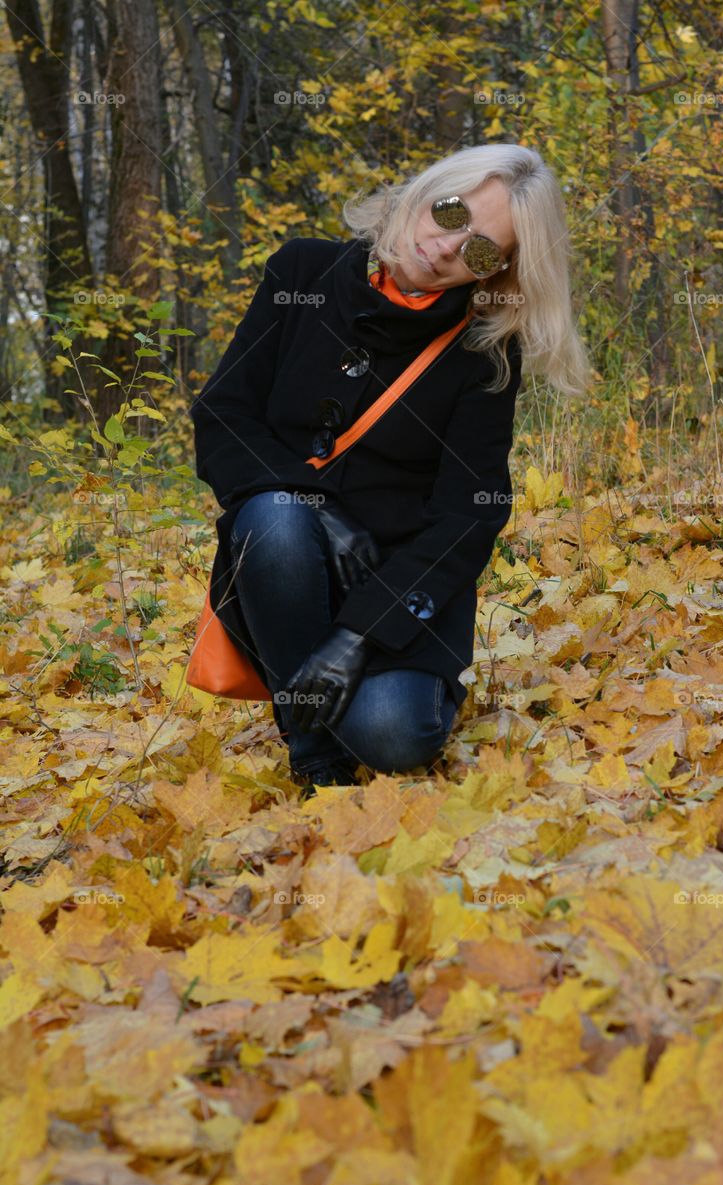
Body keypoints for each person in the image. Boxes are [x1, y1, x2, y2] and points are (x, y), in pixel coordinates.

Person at [190, 142, 591, 795]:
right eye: (450, 211)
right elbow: (225, 415)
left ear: (496, 272)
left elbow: (469, 513)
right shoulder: (302, 273)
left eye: (482, 250)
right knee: (278, 517)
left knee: (394, 739)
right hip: (279, 562)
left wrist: (357, 634)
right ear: (425, 191)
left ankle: (361, 684)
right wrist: (313, 507)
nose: (446, 247)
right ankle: (310, 745)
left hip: (398, 592)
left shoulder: (483, 352)